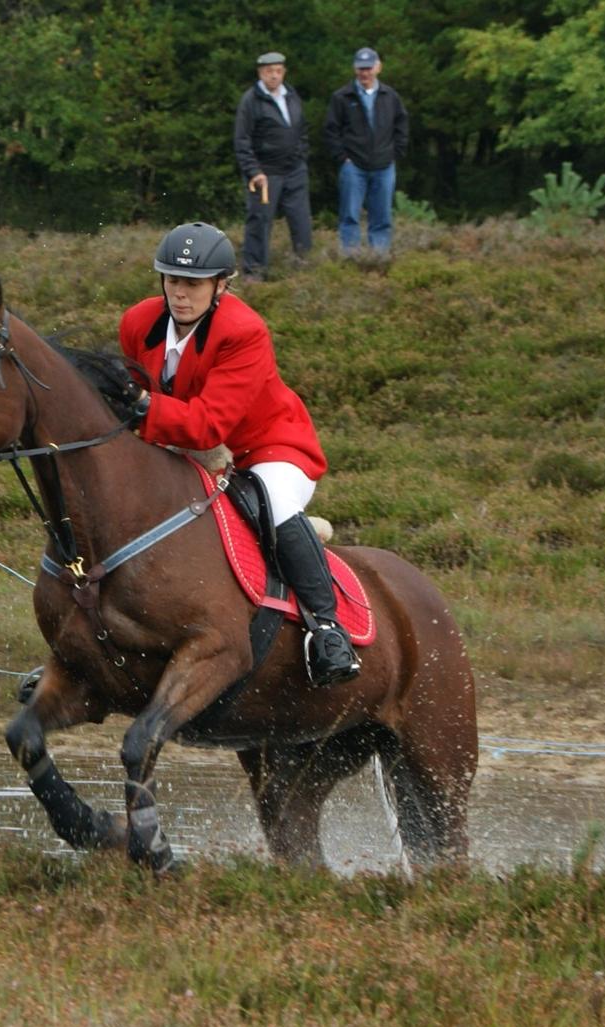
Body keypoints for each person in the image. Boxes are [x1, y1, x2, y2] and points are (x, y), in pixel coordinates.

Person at [121, 222, 360, 687]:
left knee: (271, 501)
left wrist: (140, 407)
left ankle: (328, 631)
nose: (180, 294)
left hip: (268, 448)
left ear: (220, 286)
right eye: (172, 280)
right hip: (186, 449)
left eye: (192, 283)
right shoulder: (138, 322)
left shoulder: (243, 331)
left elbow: (208, 425)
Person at [232, 51, 313, 284]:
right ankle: (254, 272)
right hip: (265, 173)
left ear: (283, 72)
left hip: (295, 169)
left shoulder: (291, 95)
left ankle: (305, 266)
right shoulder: (251, 101)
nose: (274, 76)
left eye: (278, 71)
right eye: (269, 72)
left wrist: (301, 155)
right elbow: (242, 140)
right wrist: (254, 171)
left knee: (301, 220)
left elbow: (302, 129)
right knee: (259, 220)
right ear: (260, 73)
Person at [324, 46, 409, 258]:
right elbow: (331, 130)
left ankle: (379, 259)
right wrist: (343, 158)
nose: (365, 73)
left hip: (384, 166)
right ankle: (350, 260)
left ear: (378, 67)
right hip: (354, 167)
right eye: (361, 68)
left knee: (382, 218)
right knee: (350, 216)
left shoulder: (390, 96)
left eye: (369, 68)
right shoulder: (342, 97)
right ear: (355, 69)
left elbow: (401, 125)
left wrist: (394, 153)